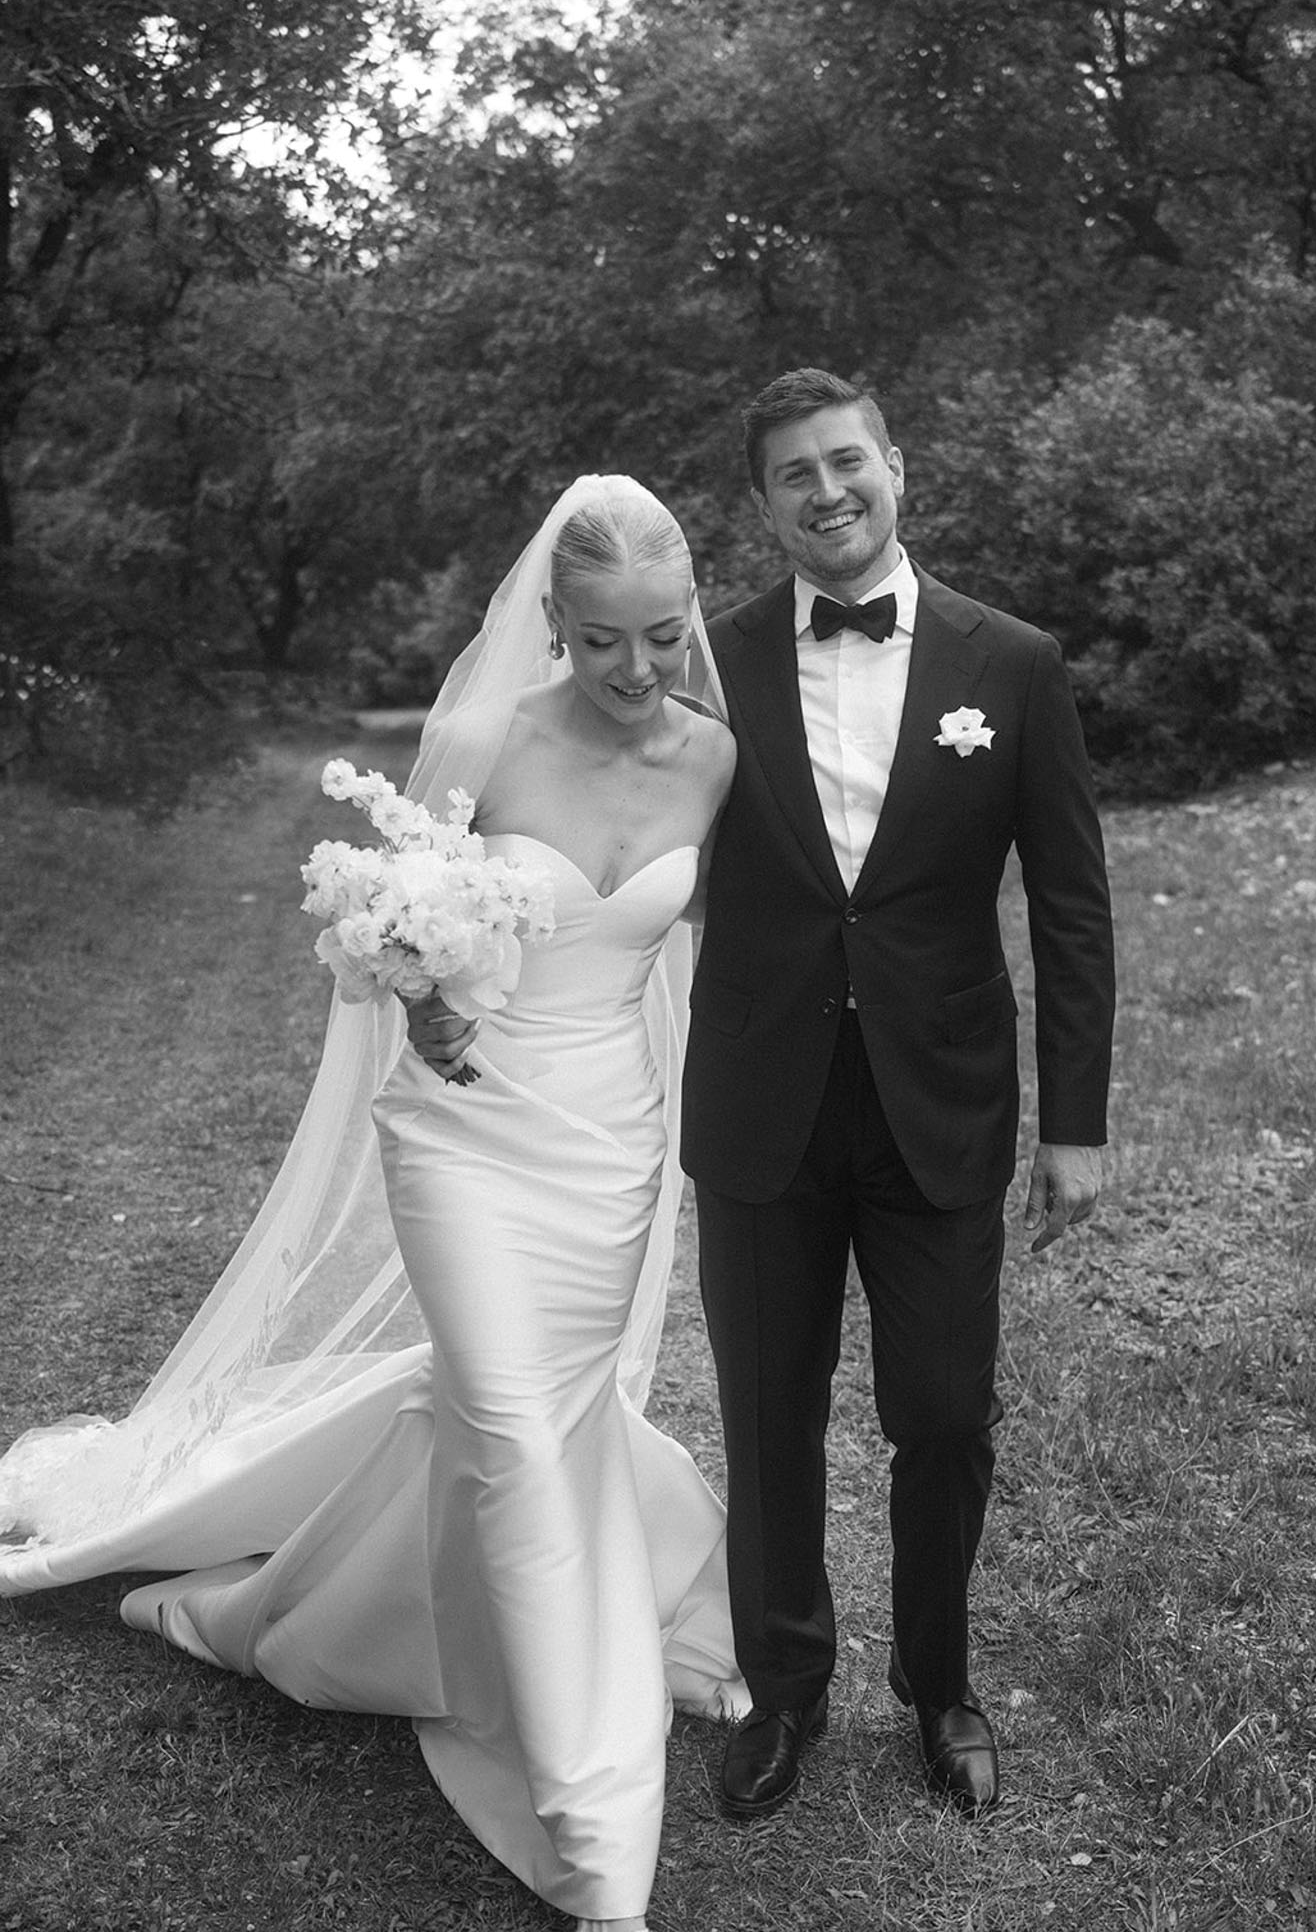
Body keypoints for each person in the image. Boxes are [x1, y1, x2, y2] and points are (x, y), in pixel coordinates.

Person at [0, 476, 745, 1932]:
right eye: (603, 643)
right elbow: (383, 941)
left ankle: (329, 1616)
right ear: (554, 623)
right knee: (522, 1435)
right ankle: (595, 1828)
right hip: (465, 1139)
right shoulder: (480, 742)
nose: (637, 671)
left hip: (609, 1150)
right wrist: (422, 999)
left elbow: (708, 958)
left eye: (662, 636)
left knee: (536, 1425)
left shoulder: (717, 759)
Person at [680, 368, 1116, 1821]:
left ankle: (937, 1685)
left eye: (844, 461)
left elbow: (1070, 907)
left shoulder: (1015, 664)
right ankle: (781, 1687)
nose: (826, 493)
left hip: (940, 1106)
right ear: (762, 505)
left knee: (940, 1414)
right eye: (793, 475)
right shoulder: (708, 660)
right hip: (763, 1101)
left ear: (895, 467)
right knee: (768, 1412)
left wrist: (1073, 1126)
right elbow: (610, 828)